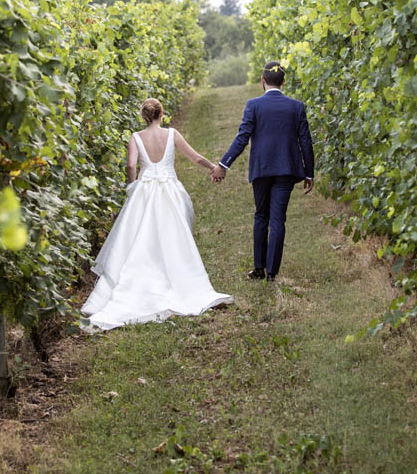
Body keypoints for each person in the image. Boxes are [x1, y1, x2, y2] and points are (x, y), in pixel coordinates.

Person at [81, 98, 233, 331]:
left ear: (144, 116)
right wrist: (213, 167)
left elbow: (132, 165)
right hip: (169, 191)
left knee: (139, 237)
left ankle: (136, 285)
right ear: (162, 114)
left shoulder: (135, 137)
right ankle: (178, 278)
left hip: (144, 191)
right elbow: (194, 157)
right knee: (173, 236)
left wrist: (133, 185)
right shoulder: (172, 134)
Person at [211, 62, 315, 281]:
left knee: (261, 215)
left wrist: (224, 164)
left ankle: (259, 268)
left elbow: (243, 137)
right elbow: (306, 141)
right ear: (284, 82)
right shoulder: (296, 107)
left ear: (262, 81)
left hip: (262, 168)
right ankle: (272, 273)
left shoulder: (253, 105)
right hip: (287, 169)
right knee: (278, 219)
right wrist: (309, 172)